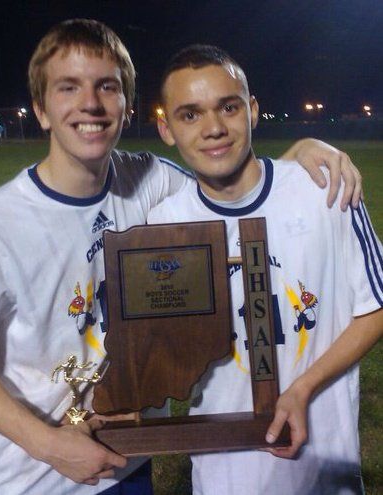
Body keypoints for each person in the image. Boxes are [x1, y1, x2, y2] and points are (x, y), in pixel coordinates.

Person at [0, 20, 363, 495]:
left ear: (127, 106)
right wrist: (49, 445)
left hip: (129, 464)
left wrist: (298, 157)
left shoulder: (151, 181)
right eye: (68, 87)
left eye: (107, 87)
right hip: (37, 477)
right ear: (40, 109)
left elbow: (229, 173)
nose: (91, 104)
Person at [148, 44, 383, 495]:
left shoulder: (324, 190)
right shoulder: (162, 227)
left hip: (323, 464)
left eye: (228, 107)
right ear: (166, 129)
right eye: (190, 115)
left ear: (252, 110)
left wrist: (303, 388)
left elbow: (375, 305)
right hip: (224, 474)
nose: (214, 128)